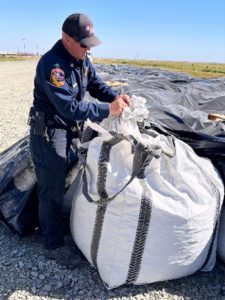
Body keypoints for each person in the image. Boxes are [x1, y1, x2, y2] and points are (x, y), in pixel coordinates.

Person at [28, 13, 130, 268]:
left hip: (69, 130)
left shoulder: (81, 58)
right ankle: (53, 245)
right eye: (84, 44)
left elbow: (95, 84)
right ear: (66, 38)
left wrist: (116, 97)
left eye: (90, 44)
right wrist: (109, 110)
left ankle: (59, 224)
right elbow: (69, 108)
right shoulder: (53, 67)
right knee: (51, 187)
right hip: (51, 133)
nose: (87, 49)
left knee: (67, 177)